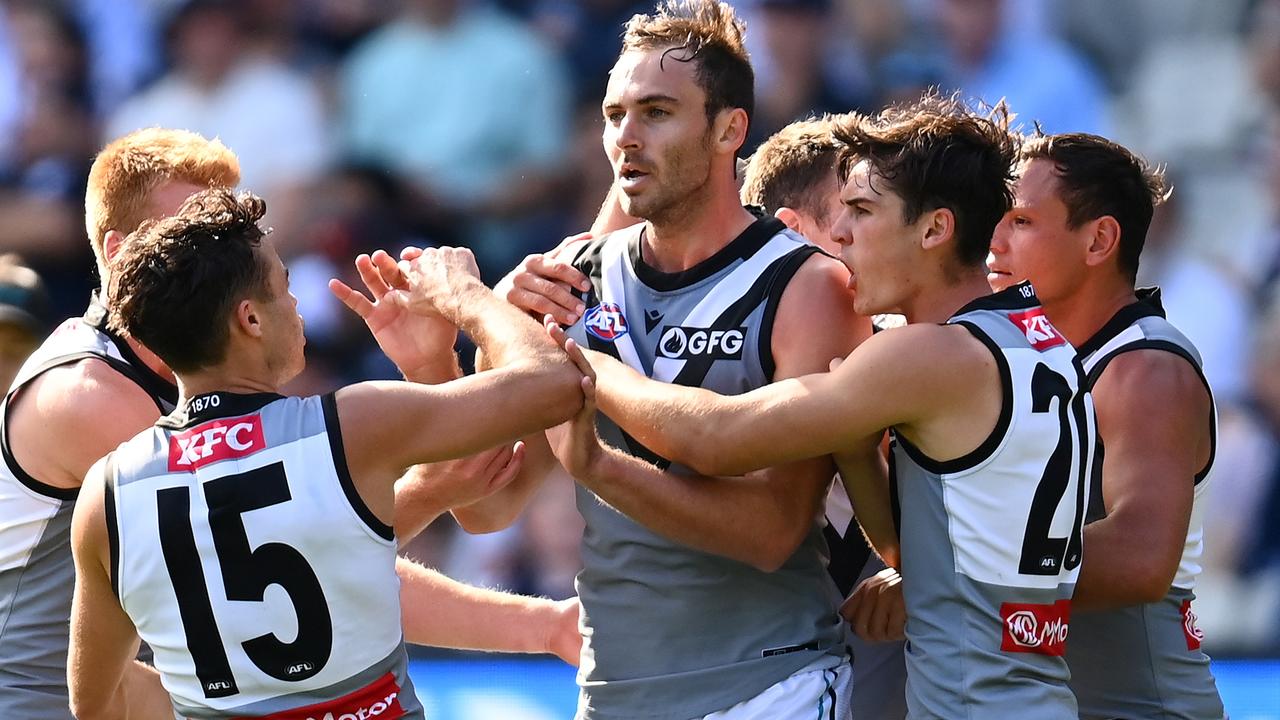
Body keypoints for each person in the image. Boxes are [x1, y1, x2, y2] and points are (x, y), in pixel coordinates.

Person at [0, 128, 579, 720]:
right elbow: (283, 564)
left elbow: (289, 557)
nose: (216, 242)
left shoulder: (171, 415)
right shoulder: (93, 398)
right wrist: (469, 303)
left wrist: (430, 367)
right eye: (196, 227)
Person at [548, 95, 1096, 719]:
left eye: (862, 211)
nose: (839, 234)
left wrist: (582, 359)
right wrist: (859, 456)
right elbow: (911, 544)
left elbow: (716, 438)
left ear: (935, 229)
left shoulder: (926, 357)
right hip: (1037, 695)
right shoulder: (1038, 339)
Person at [414, 2, 873, 717]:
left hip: (766, 686)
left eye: (657, 113)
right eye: (613, 114)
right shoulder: (572, 275)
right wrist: (449, 359)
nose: (626, 137)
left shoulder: (808, 285)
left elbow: (771, 532)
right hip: (610, 692)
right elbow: (489, 507)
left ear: (729, 129)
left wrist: (598, 462)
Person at [986, 132, 1225, 719]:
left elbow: (1140, 556)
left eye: (1019, 221)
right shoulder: (1024, 357)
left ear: (1099, 240)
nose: (992, 242)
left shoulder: (1146, 368)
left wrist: (953, 573)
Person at [738, 114, 907, 720]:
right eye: (851, 217)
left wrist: (936, 576)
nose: (864, 238)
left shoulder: (931, 353)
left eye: (871, 215)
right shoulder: (721, 366)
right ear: (789, 234)